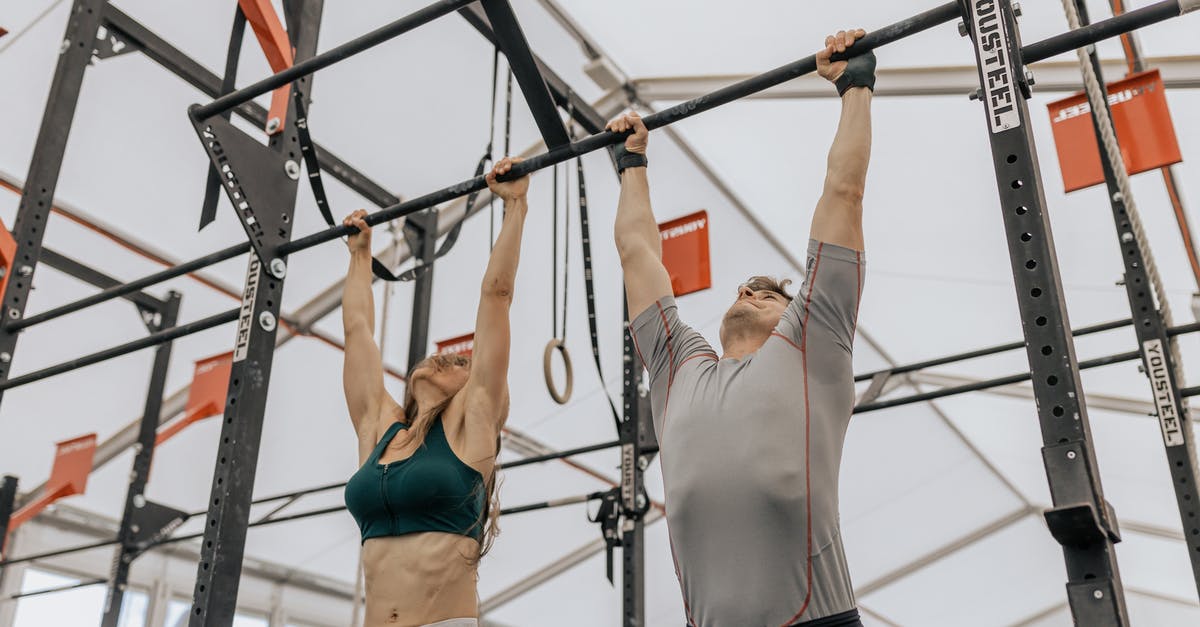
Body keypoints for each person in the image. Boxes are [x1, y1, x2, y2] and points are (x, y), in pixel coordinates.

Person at [610, 29, 874, 627]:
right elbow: (636, 255)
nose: (749, 291)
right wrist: (632, 166)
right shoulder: (680, 368)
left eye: (771, 292)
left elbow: (844, 194)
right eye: (744, 287)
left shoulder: (813, 345)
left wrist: (855, 87)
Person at [341, 157, 531, 627]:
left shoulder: (472, 428)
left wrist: (515, 207)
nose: (443, 357)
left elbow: (496, 295)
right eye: (443, 356)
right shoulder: (380, 430)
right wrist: (361, 257)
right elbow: (358, 330)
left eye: (461, 362)